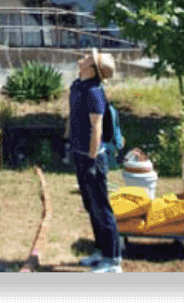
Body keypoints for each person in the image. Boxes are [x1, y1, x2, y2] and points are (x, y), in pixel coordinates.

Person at [63, 48, 121, 272]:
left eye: (89, 57)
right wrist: (67, 140)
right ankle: (100, 251)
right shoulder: (78, 86)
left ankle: (113, 259)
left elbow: (97, 127)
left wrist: (91, 159)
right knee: (90, 205)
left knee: (102, 206)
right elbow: (72, 115)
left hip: (93, 158)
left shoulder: (95, 91)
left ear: (92, 68)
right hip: (79, 152)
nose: (85, 55)